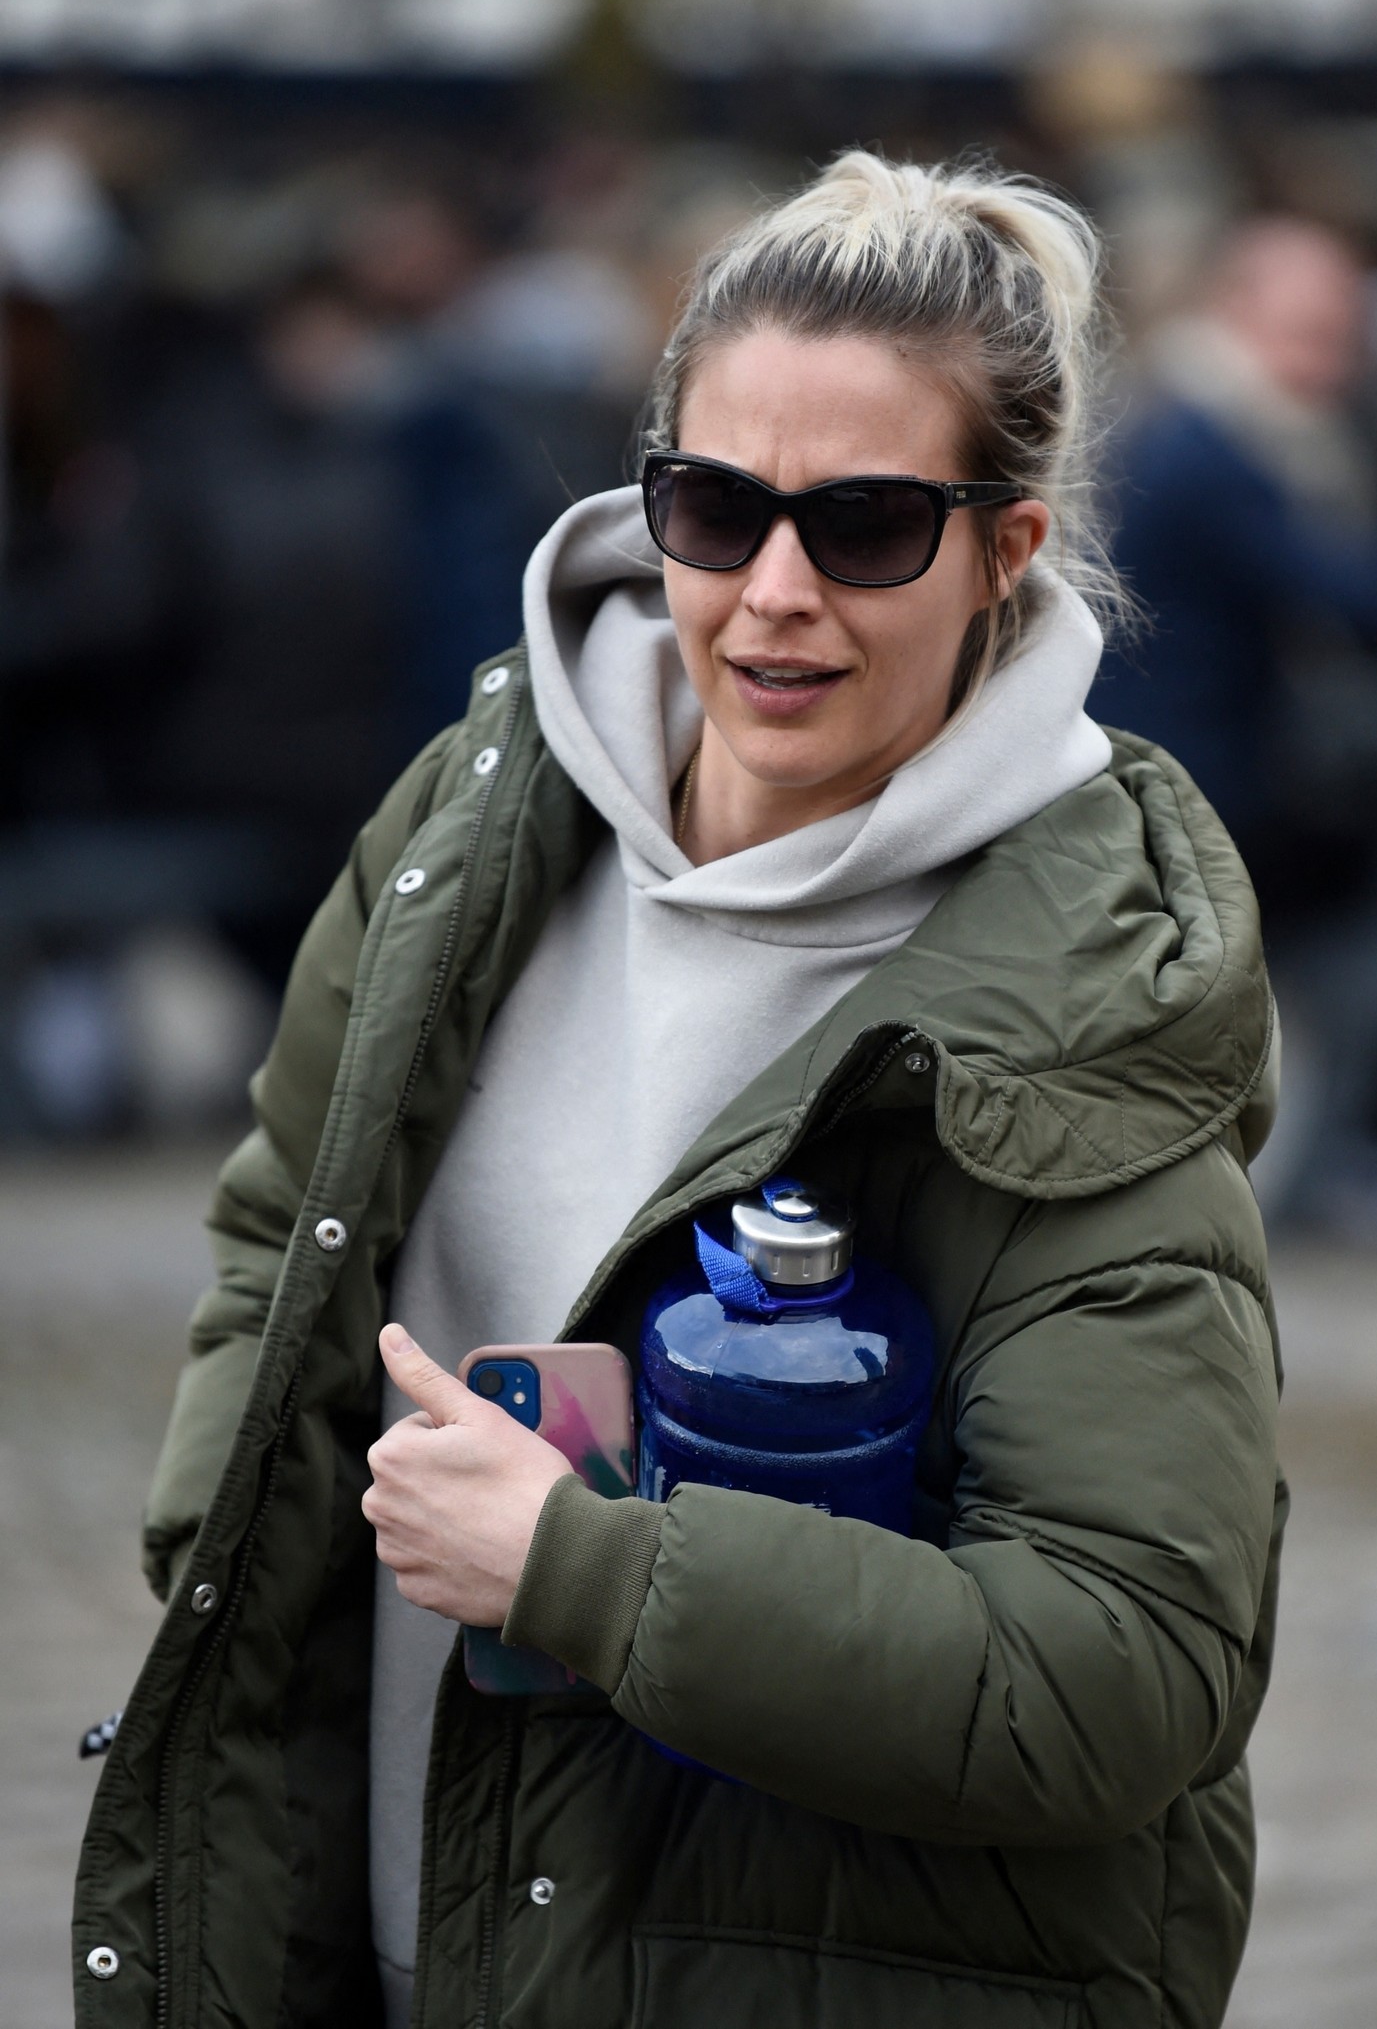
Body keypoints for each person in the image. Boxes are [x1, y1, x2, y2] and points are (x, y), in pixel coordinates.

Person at [75, 154, 1284, 2029]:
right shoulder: (472, 829)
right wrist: (222, 1554)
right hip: (365, 1943)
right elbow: (277, 1231)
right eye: (719, 509)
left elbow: (1118, 1670)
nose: (775, 593)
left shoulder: (1089, 994)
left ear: (1007, 552)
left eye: (869, 524)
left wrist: (585, 1571)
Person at [1093, 214, 1377, 911]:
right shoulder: (1208, 448)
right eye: (1307, 336)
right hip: (1184, 775)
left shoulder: (1200, 421)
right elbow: (1368, 606)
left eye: (1346, 342)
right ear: (1233, 313)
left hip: (1185, 764)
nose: (1332, 368)